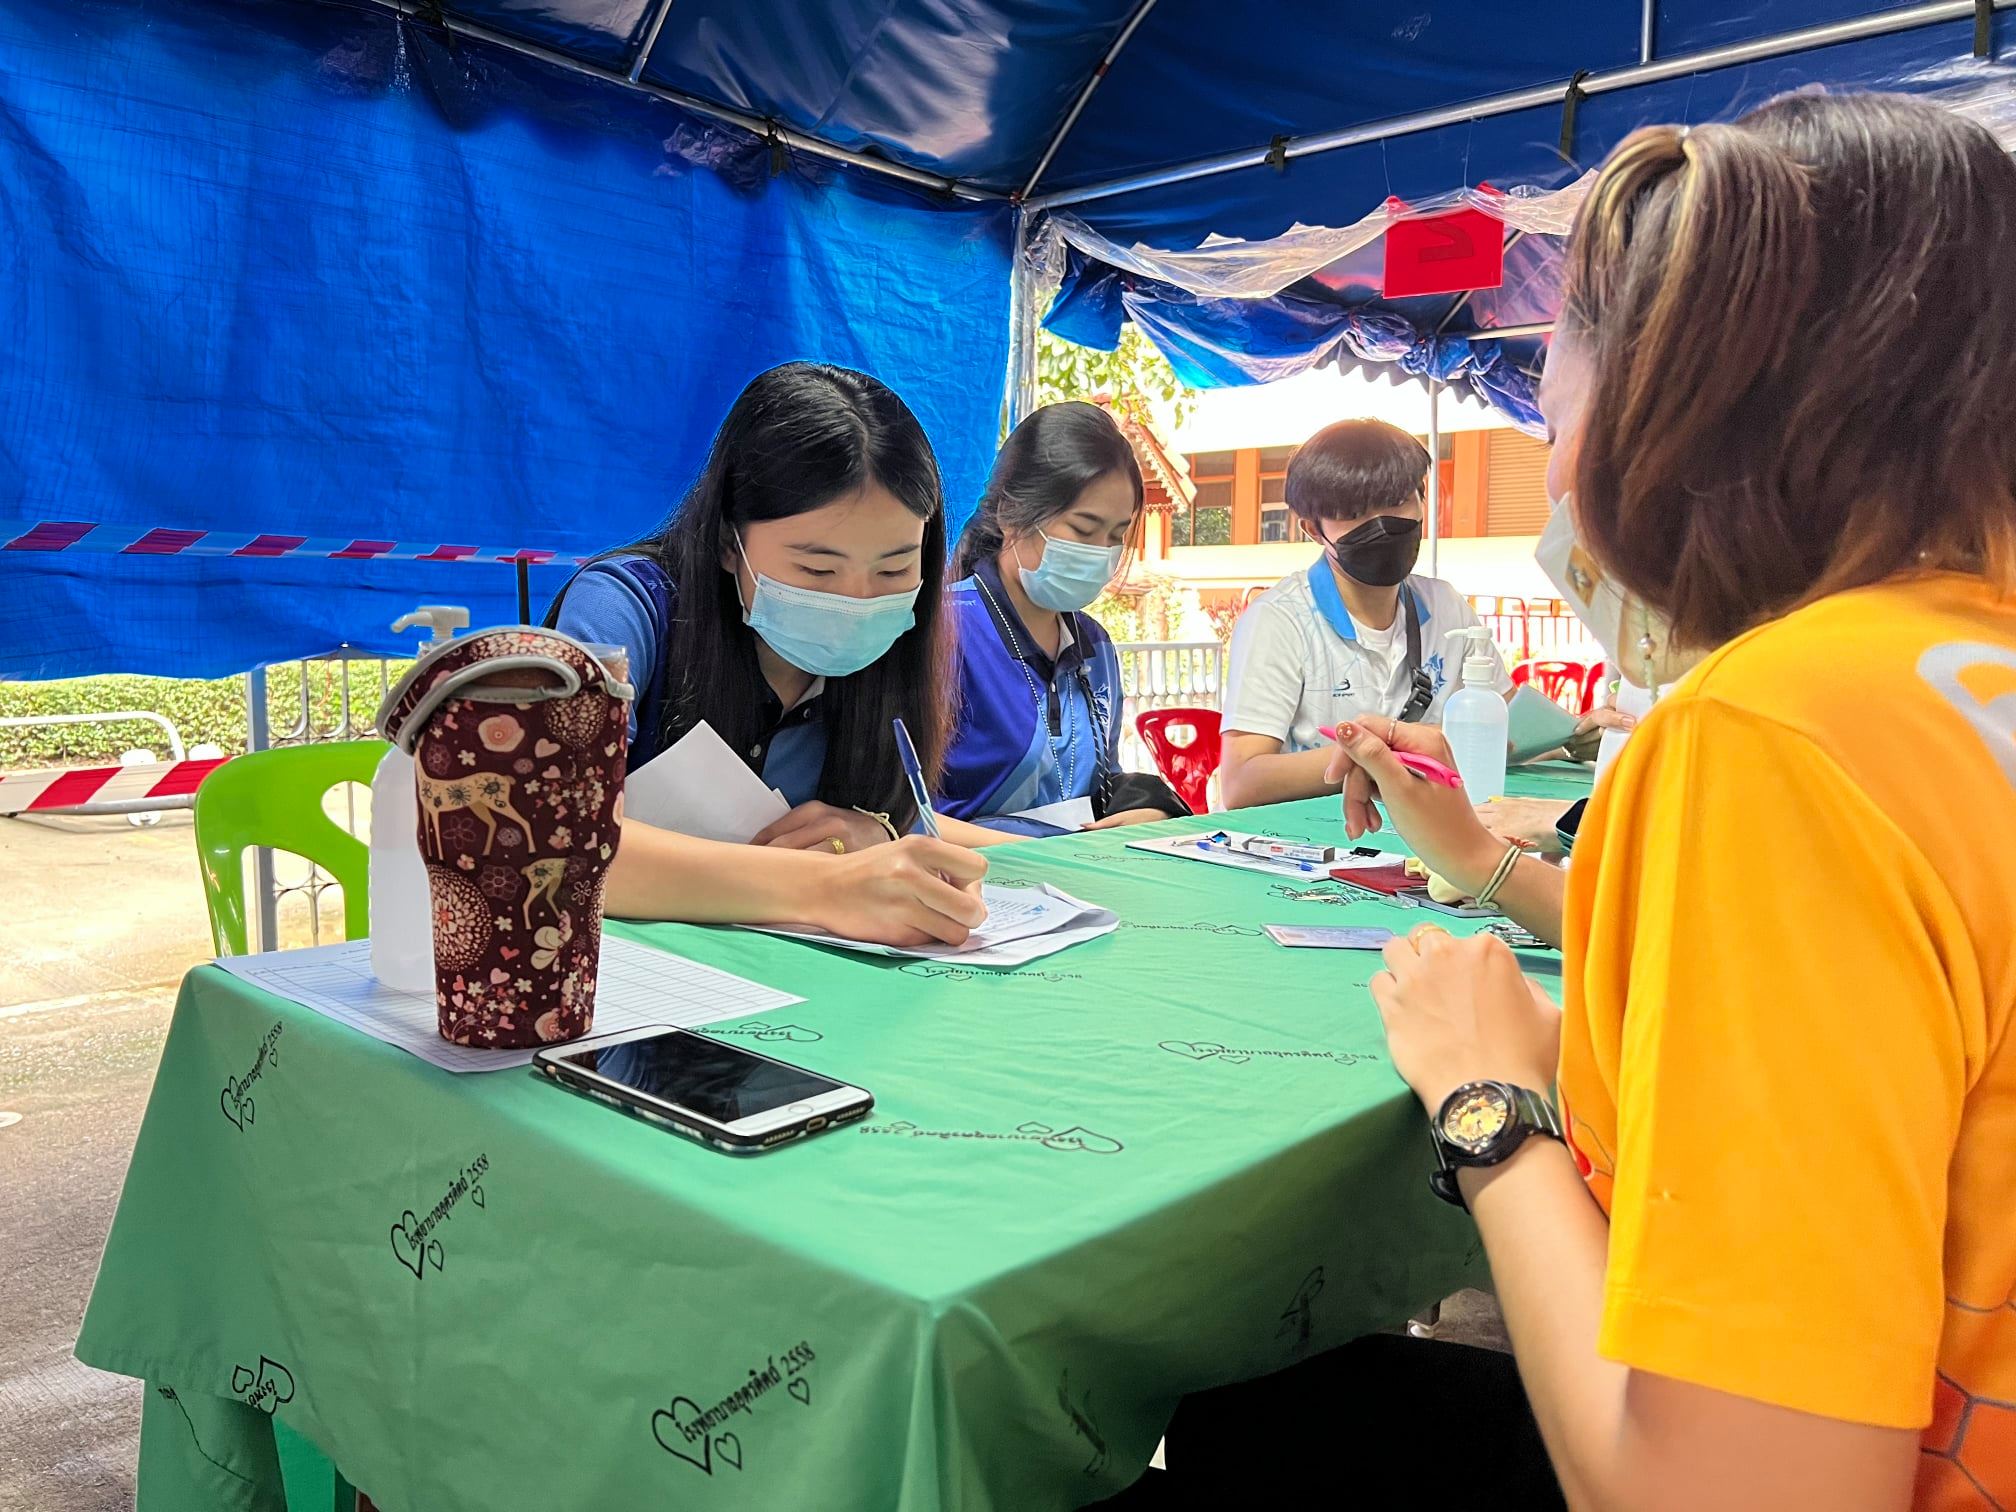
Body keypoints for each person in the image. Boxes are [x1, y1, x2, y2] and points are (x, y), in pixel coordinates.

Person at [1163, 91, 2016, 1511]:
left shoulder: (1774, 730)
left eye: (1554, 415)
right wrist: (1489, 881)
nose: (1560, 476)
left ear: (1678, 416)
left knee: (1267, 1415)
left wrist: (1487, 1103)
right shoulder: (1954, 674)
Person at [547, 362, 986, 946]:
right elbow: (550, 837)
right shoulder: (624, 610)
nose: (857, 600)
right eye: (817, 569)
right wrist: (823, 886)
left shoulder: (897, 656)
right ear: (730, 543)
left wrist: (878, 838)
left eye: (895, 568)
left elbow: (898, 819)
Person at [1216, 419, 1514, 809]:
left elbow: (1508, 726)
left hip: (1431, 828)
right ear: (1313, 530)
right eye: (1354, 512)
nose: (1381, 525)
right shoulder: (1279, 620)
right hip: (1312, 843)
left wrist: (1575, 731)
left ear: (1422, 500)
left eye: (1395, 501)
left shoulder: (1446, 605)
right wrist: (1389, 751)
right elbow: (1242, 783)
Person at [937, 403, 1190, 839]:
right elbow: (894, 814)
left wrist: (1146, 814)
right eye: (1083, 528)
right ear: (1011, 515)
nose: (1101, 551)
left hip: (1073, 886)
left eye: (1116, 535)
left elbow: (1101, 785)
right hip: (963, 887)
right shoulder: (944, 633)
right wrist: (1037, 853)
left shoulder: (1096, 646)